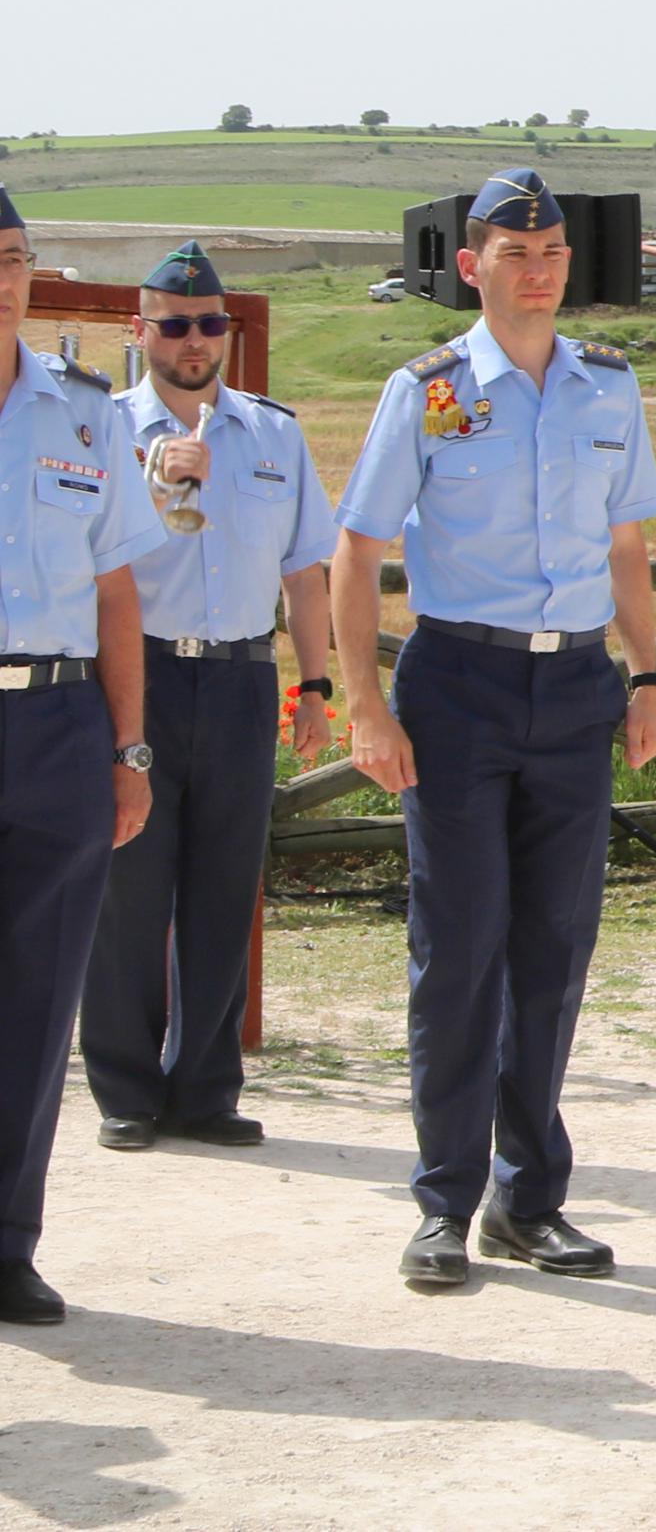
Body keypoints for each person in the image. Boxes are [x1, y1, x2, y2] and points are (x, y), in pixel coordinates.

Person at [331, 169, 656, 1291]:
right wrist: (364, 704)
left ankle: (531, 1203)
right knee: (461, 948)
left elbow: (626, 545)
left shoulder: (607, 388)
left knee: (555, 949)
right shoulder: (425, 390)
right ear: (472, 267)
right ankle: (442, 1203)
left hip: (575, 687)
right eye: (516, 253)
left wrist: (648, 674)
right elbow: (359, 549)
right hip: (459, 689)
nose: (540, 268)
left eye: (556, 251)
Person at [88, 242, 332, 1151]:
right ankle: (125, 1088)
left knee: (226, 886)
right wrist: (162, 487)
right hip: (138, 672)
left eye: (209, 324)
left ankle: (206, 1089)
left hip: (237, 674)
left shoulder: (273, 433)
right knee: (130, 887)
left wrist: (313, 682)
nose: (196, 341)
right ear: (141, 330)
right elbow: (96, 569)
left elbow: (306, 569)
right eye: (177, 324)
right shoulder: (106, 429)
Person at [0, 188, 164, 1326]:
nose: (3, 275)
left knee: (36, 997)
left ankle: (8, 1240)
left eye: (14, 257)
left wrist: (129, 746)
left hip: (57, 728)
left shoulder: (82, 411)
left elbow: (116, 589)